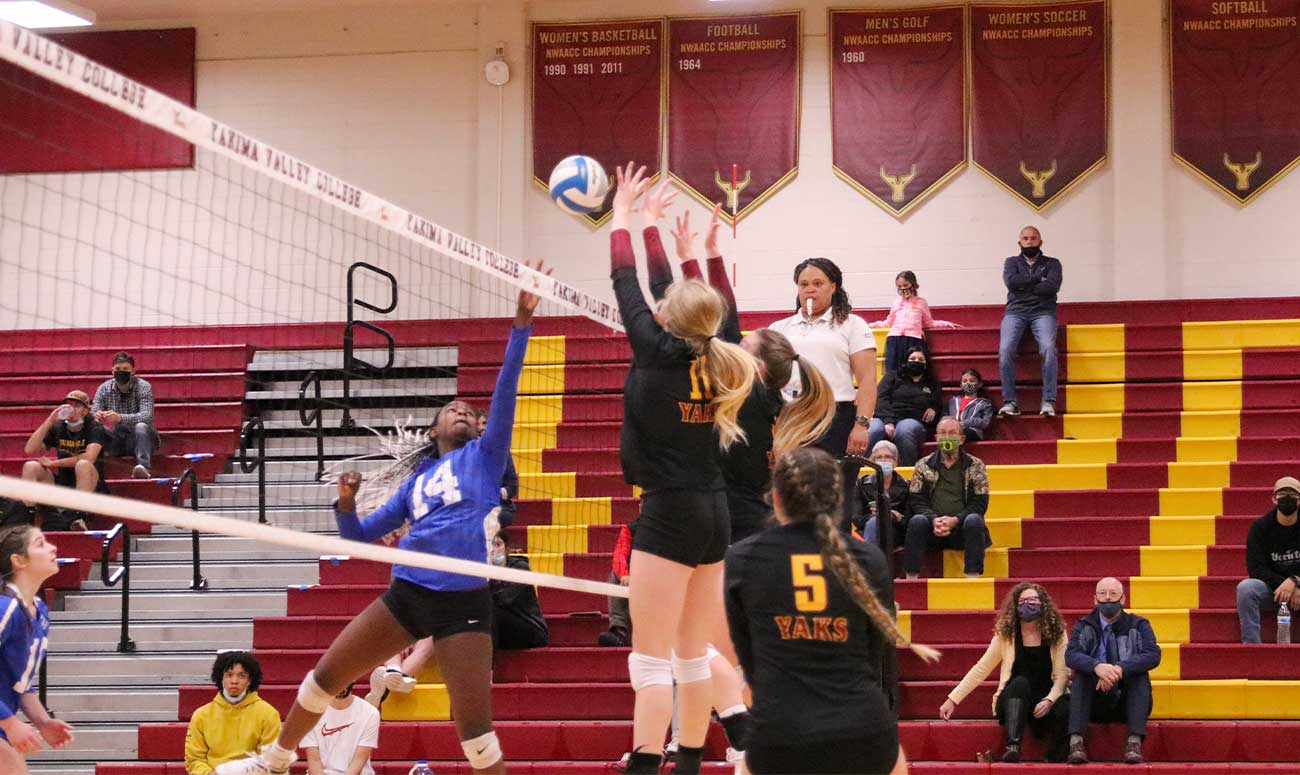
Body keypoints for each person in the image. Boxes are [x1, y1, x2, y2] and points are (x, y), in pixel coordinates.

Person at [217, 279, 546, 775]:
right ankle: (275, 759)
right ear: (435, 430)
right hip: (408, 594)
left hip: (466, 605)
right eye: (451, 409)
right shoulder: (414, 485)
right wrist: (345, 505)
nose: (461, 411)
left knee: (476, 736)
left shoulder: (487, 456)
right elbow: (359, 541)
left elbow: (506, 389)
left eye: (469, 412)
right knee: (324, 676)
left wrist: (520, 325)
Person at [608, 164, 757, 775]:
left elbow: (626, 281)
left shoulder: (653, 349)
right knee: (692, 658)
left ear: (669, 318)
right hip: (714, 512)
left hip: (668, 513)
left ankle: (645, 766)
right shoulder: (722, 355)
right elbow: (668, 292)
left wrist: (624, 215)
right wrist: (650, 227)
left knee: (649, 662)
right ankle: (690, 763)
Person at [725, 447, 935, 774]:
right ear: (839, 501)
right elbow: (872, 653)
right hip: (862, 729)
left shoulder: (741, 559)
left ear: (776, 498)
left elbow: (748, 659)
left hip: (780, 733)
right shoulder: (869, 559)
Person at [668, 206, 835, 543]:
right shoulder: (773, 400)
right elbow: (727, 318)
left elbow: (715, 320)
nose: (734, 347)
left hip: (729, 522)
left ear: (756, 366)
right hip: (757, 520)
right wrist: (712, 253)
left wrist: (691, 261)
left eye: (743, 345)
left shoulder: (747, 391)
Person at [939, 583, 1070, 763]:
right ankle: (1013, 747)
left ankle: (1054, 759)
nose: (1028, 604)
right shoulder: (1006, 635)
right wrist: (953, 699)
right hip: (1013, 698)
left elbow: (1063, 675)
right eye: (1023, 601)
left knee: (1066, 706)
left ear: (1043, 604)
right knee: (1020, 683)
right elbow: (981, 668)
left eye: (1033, 600)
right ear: (1015, 607)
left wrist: (1049, 700)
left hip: (1046, 697)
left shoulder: (1058, 634)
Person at [768, 257, 877, 457]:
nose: (810, 289)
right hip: (791, 415)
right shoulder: (778, 329)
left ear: (833, 287)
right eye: (804, 284)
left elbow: (868, 380)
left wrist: (861, 425)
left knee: (835, 486)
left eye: (818, 284)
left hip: (837, 417)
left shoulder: (852, 324)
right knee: (795, 485)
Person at [0, 526, 74, 775]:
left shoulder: (39, 610)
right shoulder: (4, 608)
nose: (53, 548)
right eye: (40, 544)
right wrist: (9, 722)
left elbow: (21, 683)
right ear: (18, 561)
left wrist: (42, 721)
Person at [1064, 577, 1161, 765]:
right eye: (1102, 594)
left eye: (1113, 594)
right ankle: (1076, 743)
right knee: (1082, 675)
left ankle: (1134, 744)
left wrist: (1119, 669)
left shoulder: (1139, 624)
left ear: (1123, 599)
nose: (1108, 598)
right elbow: (1071, 655)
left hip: (1127, 700)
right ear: (1095, 599)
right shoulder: (1084, 624)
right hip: (1095, 700)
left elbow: (1153, 654)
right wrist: (1096, 667)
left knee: (1139, 675)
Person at [3, 391, 108, 532]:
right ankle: (27, 519)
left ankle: (78, 517)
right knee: (31, 466)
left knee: (83, 464)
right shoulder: (58, 428)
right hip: (63, 482)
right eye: (68, 405)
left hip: (91, 483)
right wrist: (49, 421)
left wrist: (54, 464)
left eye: (76, 406)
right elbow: (29, 449)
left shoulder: (94, 427)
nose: (71, 409)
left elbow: (89, 457)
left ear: (85, 410)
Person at [905, 417, 991, 579]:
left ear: (962, 439)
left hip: (961, 530)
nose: (947, 437)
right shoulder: (923, 464)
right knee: (917, 520)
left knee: (975, 520)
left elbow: (980, 503)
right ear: (936, 438)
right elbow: (916, 500)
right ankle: (911, 578)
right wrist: (933, 520)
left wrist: (955, 520)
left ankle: (973, 577)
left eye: (952, 433)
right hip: (933, 530)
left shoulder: (976, 465)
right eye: (943, 433)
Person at [998, 227, 1063, 418]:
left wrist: (1023, 285)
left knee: (1049, 349)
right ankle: (1010, 402)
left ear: (1040, 242)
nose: (1029, 241)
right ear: (1019, 243)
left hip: (1043, 312)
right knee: (1005, 350)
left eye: (1033, 238)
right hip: (1015, 312)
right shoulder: (1011, 262)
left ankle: (1048, 401)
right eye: (1025, 238)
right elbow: (1011, 283)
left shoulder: (1053, 263)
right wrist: (1037, 279)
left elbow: (1052, 287)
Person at [186, 651, 281, 775]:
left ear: (250, 680)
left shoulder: (268, 714)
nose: (234, 681)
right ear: (221, 678)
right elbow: (194, 760)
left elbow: (270, 761)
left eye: (241, 676)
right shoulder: (201, 715)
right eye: (229, 675)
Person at [1237, 476, 1300, 643]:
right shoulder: (1260, 527)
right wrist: (1286, 585)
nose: (1287, 497)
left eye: (1292, 494)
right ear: (1274, 498)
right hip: (1272, 589)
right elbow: (1256, 569)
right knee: (1246, 588)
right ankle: (1252, 648)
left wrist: (1295, 581)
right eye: (1282, 493)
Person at [868, 270, 959, 373]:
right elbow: (888, 323)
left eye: (905, 285)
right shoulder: (896, 303)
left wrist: (946, 324)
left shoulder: (921, 302)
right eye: (899, 286)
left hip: (913, 340)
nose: (903, 289)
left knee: (912, 371)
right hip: (895, 340)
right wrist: (870, 325)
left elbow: (929, 322)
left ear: (913, 285)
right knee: (894, 372)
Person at [867, 347, 943, 466]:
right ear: (906, 361)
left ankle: (906, 472)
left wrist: (934, 408)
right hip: (885, 419)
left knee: (904, 430)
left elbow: (938, 401)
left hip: (914, 422)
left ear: (926, 363)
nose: (916, 361)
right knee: (873, 429)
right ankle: (861, 469)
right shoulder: (892, 376)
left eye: (920, 359)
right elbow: (881, 398)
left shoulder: (931, 382)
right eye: (912, 358)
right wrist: (888, 422)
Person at [92, 352, 159, 479]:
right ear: (112, 371)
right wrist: (98, 416)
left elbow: (147, 416)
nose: (121, 371)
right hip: (117, 437)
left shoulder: (143, 386)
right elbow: (93, 412)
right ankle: (93, 466)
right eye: (117, 369)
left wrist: (120, 418)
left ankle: (143, 467)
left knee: (141, 426)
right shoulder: (103, 388)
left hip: (141, 438)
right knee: (95, 428)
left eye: (125, 369)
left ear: (133, 371)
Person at [300, 683, 379, 775]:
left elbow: (359, 759)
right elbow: (314, 760)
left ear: (353, 678)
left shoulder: (370, 713)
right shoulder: (309, 712)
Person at [489, 533, 548, 650]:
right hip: (501, 630)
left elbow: (503, 599)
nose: (493, 550)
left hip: (529, 628)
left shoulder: (520, 568)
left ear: (506, 548)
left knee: (491, 612)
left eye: (497, 544)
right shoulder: (478, 570)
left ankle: (486, 665)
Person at [856, 440, 910, 544]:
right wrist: (881, 515)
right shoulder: (861, 483)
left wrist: (895, 517)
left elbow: (907, 521)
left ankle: (871, 558)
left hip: (895, 531)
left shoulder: (907, 485)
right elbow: (857, 518)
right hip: (866, 529)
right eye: (879, 457)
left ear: (895, 462)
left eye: (888, 457)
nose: (883, 460)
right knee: (872, 525)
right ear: (873, 462)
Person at [474, 408, 517, 527]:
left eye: (484, 423)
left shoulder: (503, 452)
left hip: (500, 506)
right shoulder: (466, 451)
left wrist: (496, 492)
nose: (481, 428)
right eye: (477, 424)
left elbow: (513, 487)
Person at [599, 521, 634, 647]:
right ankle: (619, 632)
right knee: (615, 574)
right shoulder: (630, 528)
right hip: (636, 579)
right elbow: (620, 555)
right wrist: (624, 573)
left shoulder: (667, 529)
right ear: (640, 507)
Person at [947, 368, 994, 442]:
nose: (968, 383)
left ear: (979, 384)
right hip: (952, 430)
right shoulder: (952, 401)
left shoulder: (985, 403)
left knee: (959, 433)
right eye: (964, 381)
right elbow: (944, 417)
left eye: (972, 381)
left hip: (972, 431)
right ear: (961, 385)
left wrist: (964, 423)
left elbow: (985, 422)